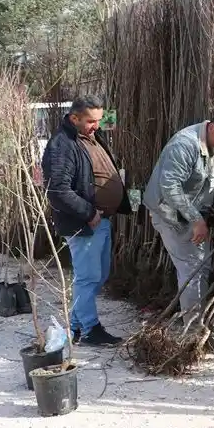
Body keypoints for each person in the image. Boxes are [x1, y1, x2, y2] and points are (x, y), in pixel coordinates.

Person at [41, 96, 132, 347]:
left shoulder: (88, 137)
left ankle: (78, 326)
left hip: (99, 220)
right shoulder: (63, 145)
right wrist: (89, 213)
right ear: (74, 118)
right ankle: (90, 329)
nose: (96, 125)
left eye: (99, 120)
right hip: (84, 224)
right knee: (88, 277)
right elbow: (58, 190)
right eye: (91, 121)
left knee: (97, 276)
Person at [143, 109, 214, 330]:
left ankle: (198, 325)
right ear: (211, 126)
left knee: (201, 267)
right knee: (193, 269)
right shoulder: (184, 145)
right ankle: (193, 332)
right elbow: (169, 187)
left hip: (193, 215)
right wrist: (197, 220)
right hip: (172, 216)